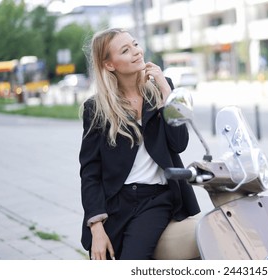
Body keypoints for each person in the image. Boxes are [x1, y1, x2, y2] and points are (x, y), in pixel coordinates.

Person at [79, 27, 200, 260]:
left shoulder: (161, 91)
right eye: (125, 50)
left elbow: (179, 144)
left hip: (156, 198)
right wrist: (96, 227)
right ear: (109, 65)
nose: (136, 52)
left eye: (135, 44)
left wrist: (166, 92)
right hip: (116, 204)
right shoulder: (96, 109)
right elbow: (90, 171)